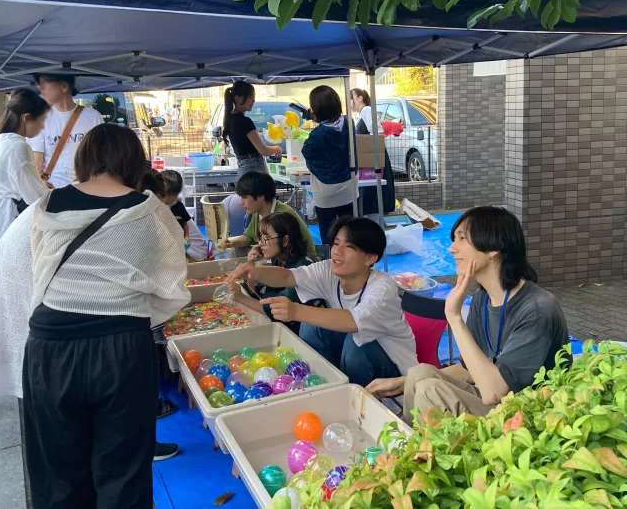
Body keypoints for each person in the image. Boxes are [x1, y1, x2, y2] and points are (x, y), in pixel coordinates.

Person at [22, 124, 192, 508]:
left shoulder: (48, 203)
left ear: (84, 157)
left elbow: (38, 267)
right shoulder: (150, 210)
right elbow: (172, 283)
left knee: (57, 475)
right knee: (124, 474)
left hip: (50, 345)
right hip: (122, 345)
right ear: (134, 161)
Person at [366, 206, 569, 422]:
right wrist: (401, 382)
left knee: (430, 390)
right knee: (419, 374)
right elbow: (469, 369)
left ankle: (422, 441)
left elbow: (494, 392)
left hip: (533, 418)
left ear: (493, 249)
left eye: (462, 239)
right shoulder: (483, 298)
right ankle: (410, 436)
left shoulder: (536, 309)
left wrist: (454, 317)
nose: (451, 249)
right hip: (503, 404)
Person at [228, 216, 417, 386]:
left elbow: (353, 321)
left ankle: (351, 397)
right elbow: (288, 277)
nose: (337, 252)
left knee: (355, 344)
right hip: (354, 351)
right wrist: (254, 271)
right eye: (336, 243)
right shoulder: (329, 270)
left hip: (393, 368)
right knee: (311, 328)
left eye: (349, 247)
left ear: (370, 258)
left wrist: (295, 311)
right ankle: (328, 384)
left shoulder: (383, 288)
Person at [0, 89, 51, 331]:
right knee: (8, 297)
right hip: (6, 227)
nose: (42, 128)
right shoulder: (17, 146)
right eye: (41, 121)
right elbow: (35, 197)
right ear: (26, 117)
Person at [233, 212, 315, 335]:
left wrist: (240, 297)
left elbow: (274, 310)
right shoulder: (279, 260)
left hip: (299, 334)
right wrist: (250, 264)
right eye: (260, 237)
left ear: (285, 240)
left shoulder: (304, 267)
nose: (261, 244)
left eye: (266, 238)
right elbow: (256, 294)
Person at [27, 73, 104, 188]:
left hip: (86, 187)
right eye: (39, 83)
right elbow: (36, 162)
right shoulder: (40, 118)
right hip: (53, 188)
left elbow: (101, 156)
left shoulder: (93, 117)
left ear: (64, 86)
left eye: (45, 82)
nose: (40, 87)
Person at [301, 86, 357, 243]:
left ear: (316, 109)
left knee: (328, 233)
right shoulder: (349, 122)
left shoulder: (316, 135)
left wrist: (315, 120)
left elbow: (307, 152)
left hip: (326, 190)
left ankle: (331, 257)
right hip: (349, 184)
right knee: (350, 230)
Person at [222, 171, 316, 259]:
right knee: (234, 250)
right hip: (278, 256)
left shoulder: (282, 215)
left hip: (297, 260)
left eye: (245, 197)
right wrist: (230, 243)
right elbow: (249, 237)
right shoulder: (258, 212)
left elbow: (290, 250)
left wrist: (260, 256)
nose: (241, 202)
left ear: (260, 196)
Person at [349, 88, 396, 219]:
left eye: (351, 98)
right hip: (369, 158)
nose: (349, 102)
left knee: (372, 192)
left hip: (372, 158)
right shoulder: (361, 114)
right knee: (369, 193)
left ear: (360, 98)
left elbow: (377, 132)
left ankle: (374, 222)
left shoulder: (367, 111)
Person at [222, 81, 281, 178]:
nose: (253, 100)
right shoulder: (244, 121)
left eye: (254, 97)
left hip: (243, 170)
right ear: (237, 98)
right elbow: (263, 150)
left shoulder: (230, 120)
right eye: (250, 97)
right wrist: (277, 148)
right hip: (255, 170)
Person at [157, 170, 209, 262]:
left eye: (172, 195)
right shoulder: (159, 206)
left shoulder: (178, 206)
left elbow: (185, 225)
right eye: (165, 194)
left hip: (194, 252)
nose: (168, 198)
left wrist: (186, 237)